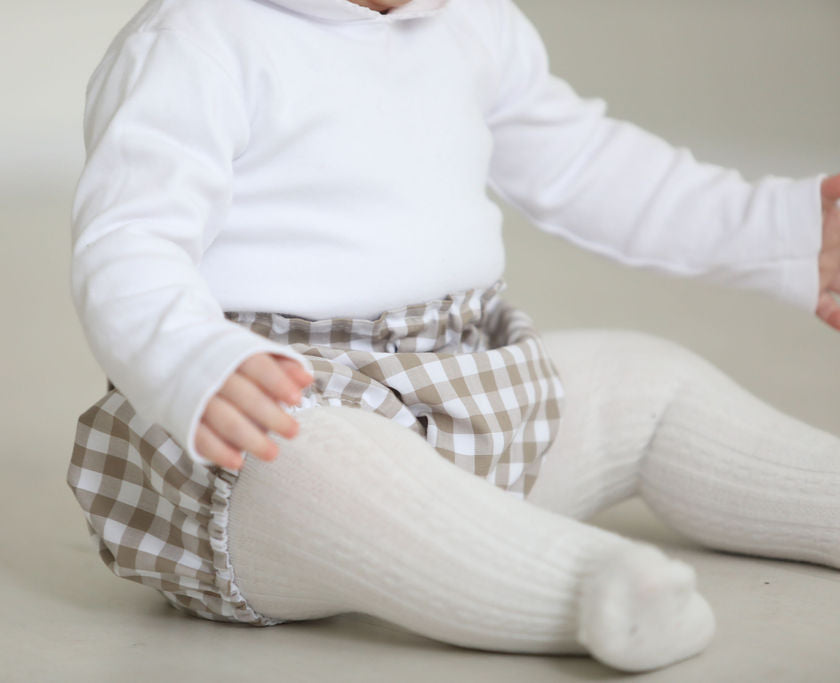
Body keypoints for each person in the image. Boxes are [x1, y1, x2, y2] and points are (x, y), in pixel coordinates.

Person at [66, 0, 840, 673]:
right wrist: (193, 357)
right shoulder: (198, 39)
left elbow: (592, 166)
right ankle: (591, 589)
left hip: (464, 391)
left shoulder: (472, 22)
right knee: (323, 468)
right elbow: (128, 244)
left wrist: (774, 230)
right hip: (270, 413)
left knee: (650, 383)